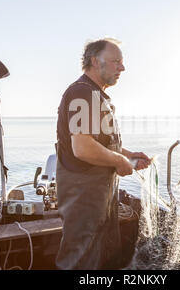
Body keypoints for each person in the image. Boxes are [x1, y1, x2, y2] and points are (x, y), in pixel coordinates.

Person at [55, 38, 151, 270]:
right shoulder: (82, 92)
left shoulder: (96, 96)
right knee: (80, 259)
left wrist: (128, 155)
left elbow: (101, 144)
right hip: (84, 198)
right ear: (95, 62)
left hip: (101, 198)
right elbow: (83, 147)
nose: (122, 68)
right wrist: (120, 161)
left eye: (122, 62)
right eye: (116, 61)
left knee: (100, 258)